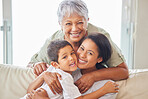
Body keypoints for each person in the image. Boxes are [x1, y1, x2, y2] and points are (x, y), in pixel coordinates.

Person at [27, 0, 128, 94]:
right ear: (60, 24)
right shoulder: (54, 41)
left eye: (80, 22)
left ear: (87, 20)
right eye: (68, 24)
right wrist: (37, 65)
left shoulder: (100, 37)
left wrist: (92, 76)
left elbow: (123, 71)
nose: (74, 29)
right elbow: (31, 64)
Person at [22, 39, 119, 99]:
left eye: (72, 53)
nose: (72, 58)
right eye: (65, 57)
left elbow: (30, 91)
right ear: (55, 64)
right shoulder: (63, 76)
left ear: (99, 59)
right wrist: (104, 90)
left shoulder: (58, 71)